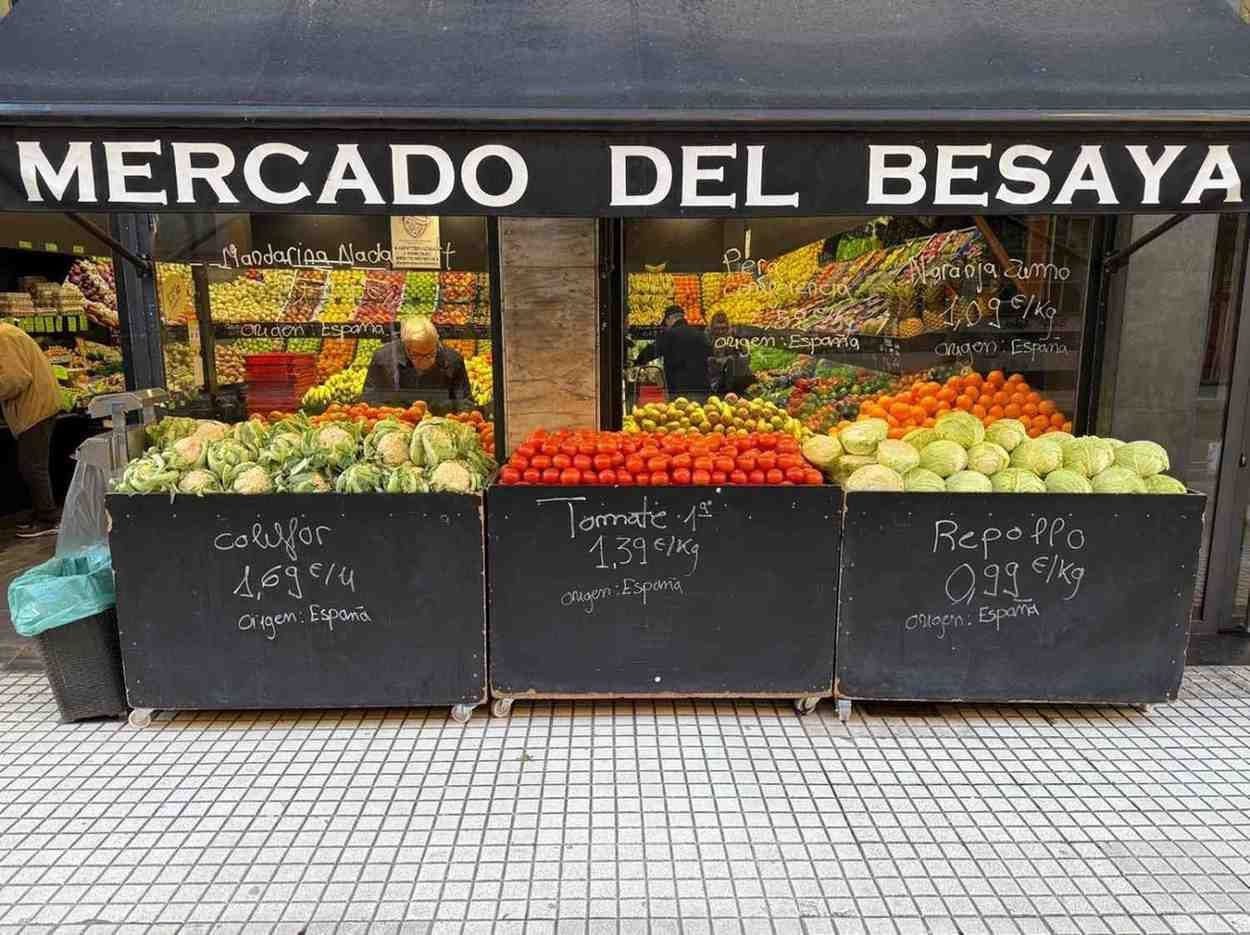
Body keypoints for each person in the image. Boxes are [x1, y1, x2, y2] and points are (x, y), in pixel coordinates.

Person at [0, 322, 62, 538]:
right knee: (33, 463)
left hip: (35, 407)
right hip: (38, 404)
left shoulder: (3, 337)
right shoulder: (7, 332)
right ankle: (40, 513)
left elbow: (16, 378)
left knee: (32, 465)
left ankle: (48, 518)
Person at [363, 316, 473, 412]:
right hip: (395, 421)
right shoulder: (383, 359)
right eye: (417, 355)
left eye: (430, 354)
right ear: (405, 346)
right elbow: (369, 399)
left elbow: (464, 402)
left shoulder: (453, 359)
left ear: (437, 342)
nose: (425, 361)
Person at [633, 304, 711, 402]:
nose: (666, 326)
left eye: (666, 323)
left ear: (669, 319)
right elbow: (710, 353)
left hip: (678, 390)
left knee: (680, 415)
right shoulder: (700, 334)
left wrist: (637, 362)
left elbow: (650, 352)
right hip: (702, 389)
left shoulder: (669, 335)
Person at [706, 312, 755, 396]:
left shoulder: (736, 338)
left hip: (735, 383)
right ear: (711, 328)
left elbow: (746, 358)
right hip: (711, 382)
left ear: (728, 328)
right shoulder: (706, 339)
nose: (720, 331)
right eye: (717, 328)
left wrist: (733, 359)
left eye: (723, 328)